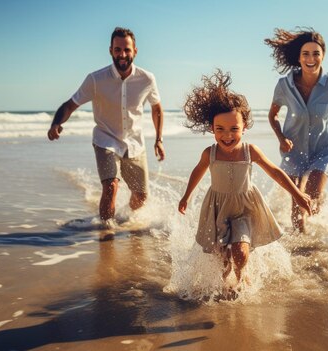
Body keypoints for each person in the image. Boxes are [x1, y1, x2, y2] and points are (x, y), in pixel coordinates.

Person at [178, 70, 313, 288]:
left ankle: (242, 280)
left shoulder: (250, 151)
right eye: (220, 129)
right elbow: (198, 172)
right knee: (222, 258)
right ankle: (224, 287)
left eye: (234, 129)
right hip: (218, 207)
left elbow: (276, 172)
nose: (227, 135)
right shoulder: (209, 153)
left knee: (240, 252)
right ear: (212, 128)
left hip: (244, 208)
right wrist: (186, 196)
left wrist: (297, 194)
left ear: (244, 128)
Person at [47, 27, 165, 228]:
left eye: (127, 50)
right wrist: (56, 123)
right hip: (105, 139)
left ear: (135, 51)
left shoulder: (147, 79)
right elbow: (70, 104)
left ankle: (123, 217)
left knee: (141, 197)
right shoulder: (95, 79)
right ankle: (106, 231)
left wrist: (159, 140)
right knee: (111, 186)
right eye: (118, 49)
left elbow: (157, 109)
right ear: (110, 50)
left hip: (135, 143)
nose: (122, 54)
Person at [264, 27, 328, 233]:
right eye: (306, 54)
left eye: (316, 53)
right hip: (293, 151)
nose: (311, 58)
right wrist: (281, 138)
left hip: (323, 150)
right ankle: (303, 248)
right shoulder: (285, 85)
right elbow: (272, 115)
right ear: (299, 57)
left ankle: (316, 214)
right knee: (297, 203)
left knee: (312, 196)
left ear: (323, 56)